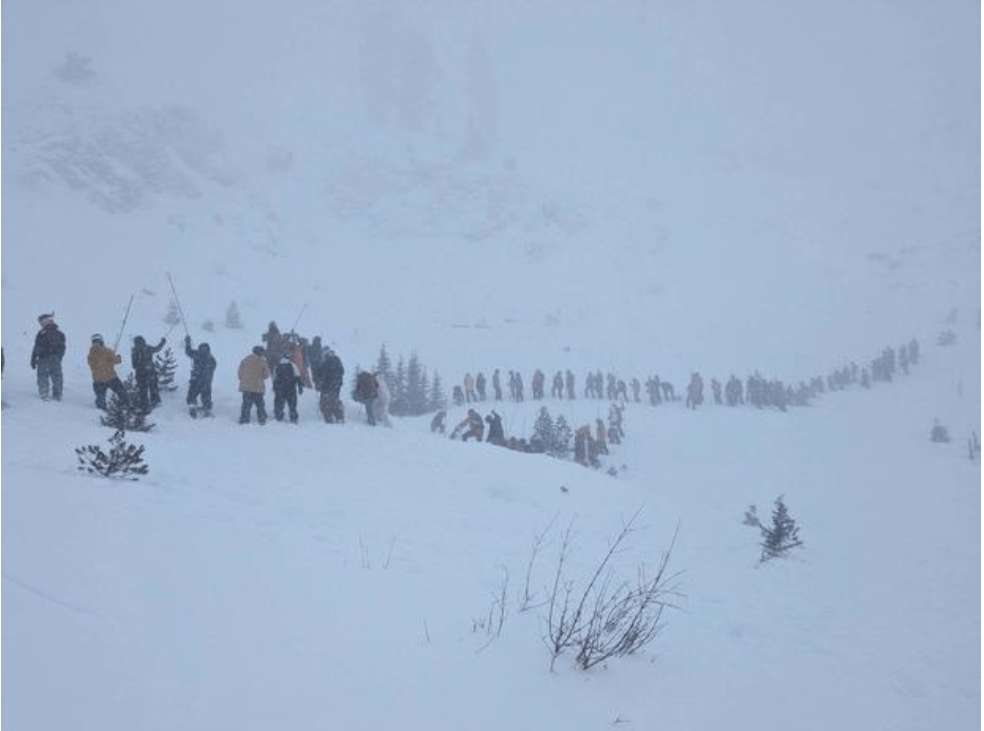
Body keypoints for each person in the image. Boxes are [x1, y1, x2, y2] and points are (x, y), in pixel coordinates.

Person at [30, 313, 66, 401]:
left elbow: (36, 347)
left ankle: (44, 393)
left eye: (42, 322)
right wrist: (59, 357)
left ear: (47, 321)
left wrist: (33, 359)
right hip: (55, 358)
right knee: (57, 376)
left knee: (42, 375)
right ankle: (57, 394)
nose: (41, 324)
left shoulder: (42, 333)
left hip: (43, 358)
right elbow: (62, 347)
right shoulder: (60, 333)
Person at [87, 334, 127, 410]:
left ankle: (100, 412)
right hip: (111, 378)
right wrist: (118, 357)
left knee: (100, 399)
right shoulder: (108, 351)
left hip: (98, 380)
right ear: (101, 341)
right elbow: (117, 361)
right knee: (122, 393)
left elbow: (95, 365)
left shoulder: (90, 355)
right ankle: (125, 407)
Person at [131, 335, 166, 413]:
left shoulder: (134, 350)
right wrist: (162, 342)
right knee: (153, 386)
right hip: (150, 371)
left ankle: (144, 405)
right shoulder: (148, 348)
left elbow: (133, 365)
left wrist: (139, 364)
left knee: (143, 389)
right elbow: (157, 349)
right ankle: (155, 401)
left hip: (140, 373)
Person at [184, 336, 217, 417]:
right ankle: (206, 409)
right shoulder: (212, 359)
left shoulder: (196, 354)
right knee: (206, 396)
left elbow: (188, 351)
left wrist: (188, 342)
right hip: (207, 381)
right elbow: (213, 368)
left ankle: (192, 406)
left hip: (196, 380)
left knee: (192, 395)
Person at [238, 345, 270, 424]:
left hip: (245, 387)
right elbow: (266, 375)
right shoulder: (262, 361)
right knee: (260, 404)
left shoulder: (245, 360)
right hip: (257, 387)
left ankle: (244, 419)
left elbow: (239, 374)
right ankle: (261, 418)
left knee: (246, 404)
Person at [315, 347, 345, 423]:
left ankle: (328, 416)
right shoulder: (338, 361)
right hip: (337, 384)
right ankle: (339, 415)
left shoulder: (326, 362)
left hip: (327, 385)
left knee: (326, 401)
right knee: (335, 399)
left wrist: (320, 382)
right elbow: (342, 371)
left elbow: (322, 374)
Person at [273, 353, 303, 423]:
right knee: (292, 405)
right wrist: (300, 387)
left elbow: (274, 378)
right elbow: (298, 376)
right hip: (291, 388)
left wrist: (275, 388)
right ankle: (293, 417)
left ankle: (279, 417)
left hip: (280, 389)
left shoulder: (277, 366)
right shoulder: (293, 365)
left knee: (279, 404)